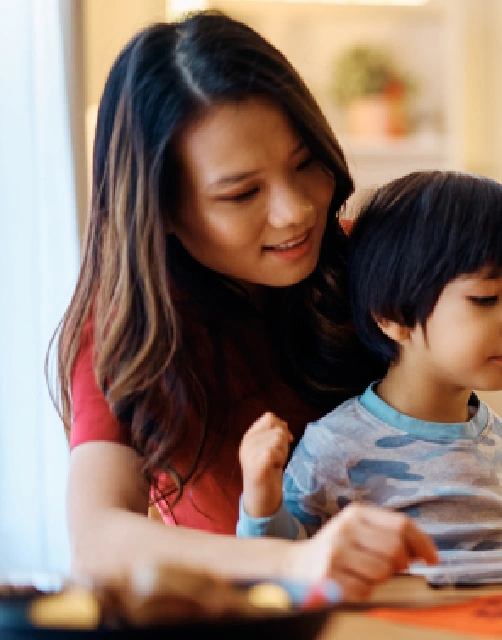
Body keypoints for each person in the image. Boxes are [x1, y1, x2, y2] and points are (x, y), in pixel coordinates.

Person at [55, 11, 436, 600]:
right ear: (162, 212)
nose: (296, 211)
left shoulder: (369, 260)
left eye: (306, 162)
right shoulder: (129, 327)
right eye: (242, 193)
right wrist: (296, 561)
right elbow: (97, 540)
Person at [235, 171, 502, 551]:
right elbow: (283, 564)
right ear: (393, 315)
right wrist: (261, 498)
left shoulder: (497, 439)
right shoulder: (336, 447)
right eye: (485, 298)